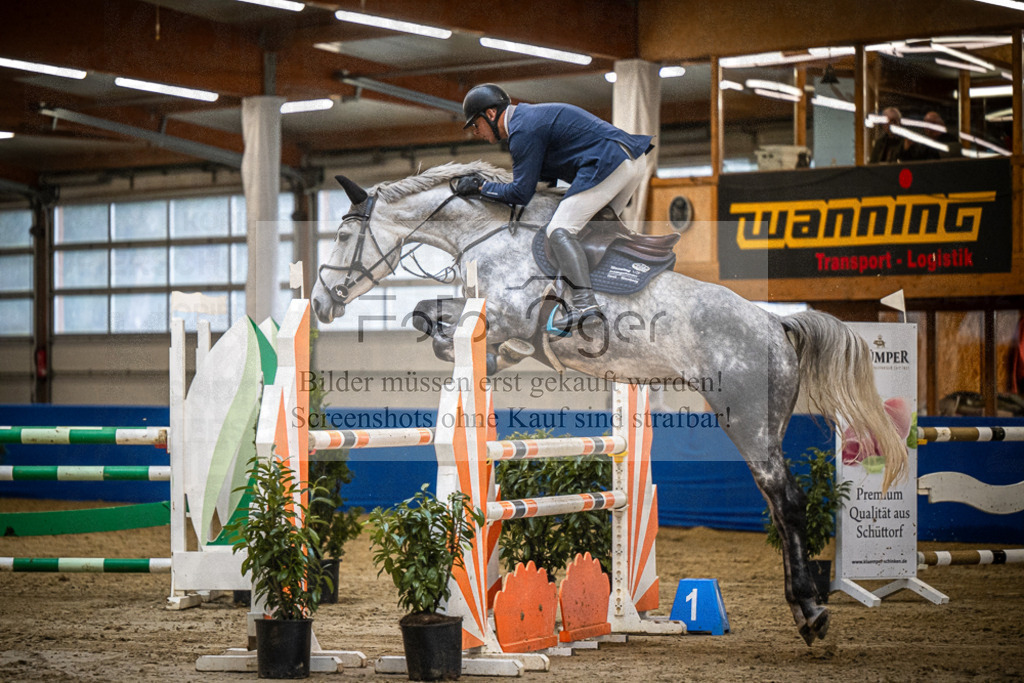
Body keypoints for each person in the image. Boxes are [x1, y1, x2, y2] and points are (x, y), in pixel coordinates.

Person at [454, 83, 654, 333]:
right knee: (594, 231)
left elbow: (520, 193)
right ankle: (614, 291)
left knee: (559, 231)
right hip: (631, 161)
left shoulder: (522, 130)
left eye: (475, 124)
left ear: (491, 114)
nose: (476, 132)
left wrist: (482, 188)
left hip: (609, 161)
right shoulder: (528, 121)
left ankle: (585, 307)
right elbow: (540, 181)